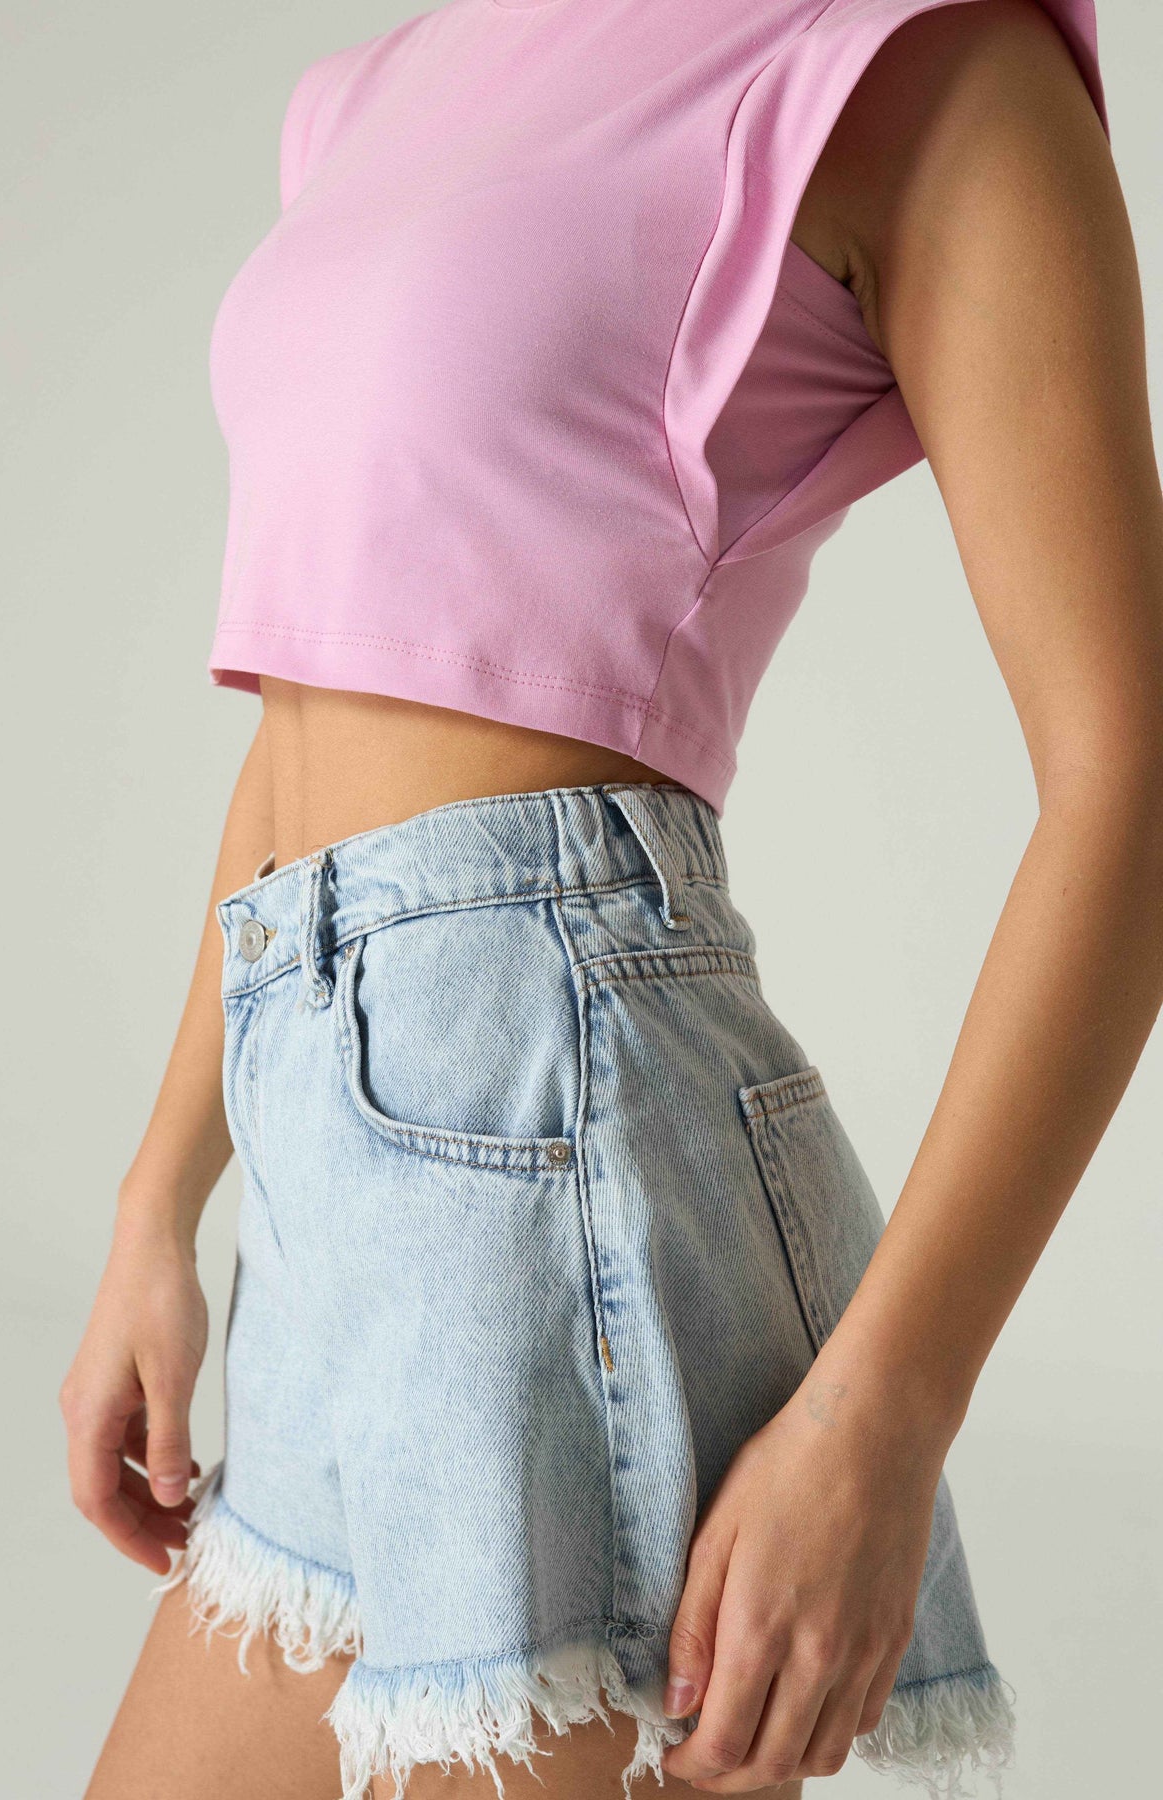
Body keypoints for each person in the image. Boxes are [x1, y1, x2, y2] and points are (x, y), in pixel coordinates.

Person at [62, 3, 1162, 1798]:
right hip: (327, 1188)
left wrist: (888, 1414)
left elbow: (1132, 778)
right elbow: (308, 719)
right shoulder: (387, 87)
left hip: (556, 1164)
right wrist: (153, 1204)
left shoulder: (916, 61)